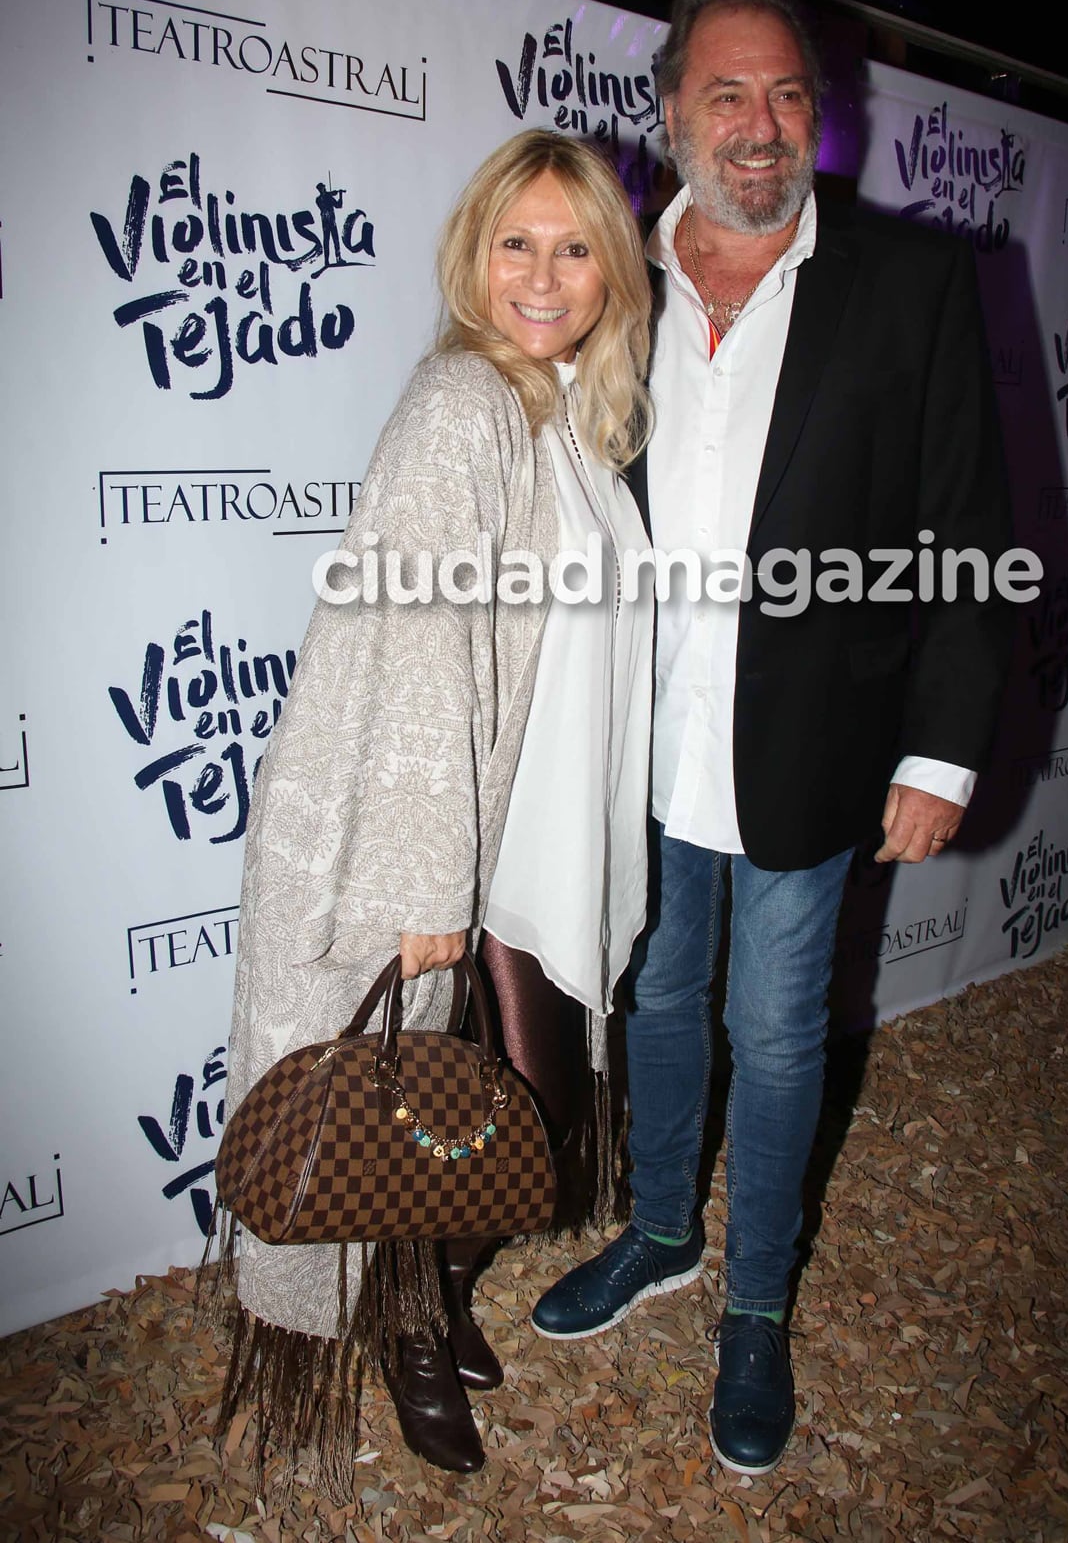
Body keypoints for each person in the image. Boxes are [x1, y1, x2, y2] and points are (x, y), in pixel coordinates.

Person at [530, 0, 1014, 1477]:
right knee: (660, 1004)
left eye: (789, 95)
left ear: (824, 112)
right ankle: (665, 1232)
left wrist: (938, 755)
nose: (760, 126)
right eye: (728, 96)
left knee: (777, 1028)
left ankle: (755, 1307)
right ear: (671, 109)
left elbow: (965, 532)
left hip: (812, 753)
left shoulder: (911, 282)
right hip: (642, 739)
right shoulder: (609, 274)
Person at [214, 129, 653, 1493]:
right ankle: (413, 1317)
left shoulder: (570, 414)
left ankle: (437, 1298)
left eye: (574, 245)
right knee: (493, 1113)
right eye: (515, 242)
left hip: (531, 823)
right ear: (474, 256)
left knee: (523, 1117)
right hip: (451, 833)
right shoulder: (464, 403)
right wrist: (420, 887)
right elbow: (417, 643)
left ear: (611, 271)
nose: (543, 272)